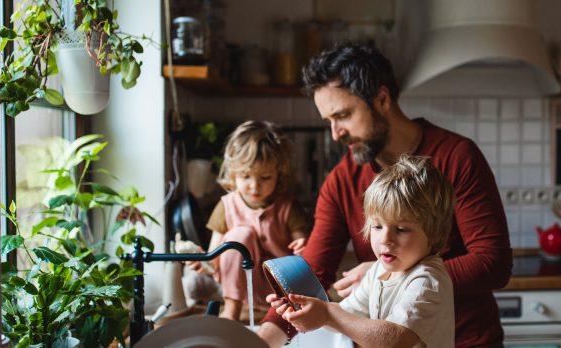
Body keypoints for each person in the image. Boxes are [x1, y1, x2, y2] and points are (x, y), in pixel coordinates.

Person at [257, 42, 512, 347]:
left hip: (468, 341)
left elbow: (493, 263)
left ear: (381, 99)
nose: (336, 133)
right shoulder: (342, 180)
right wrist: (262, 340)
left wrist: (394, 272)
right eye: (330, 121)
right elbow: (312, 272)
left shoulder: (457, 157)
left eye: (344, 115)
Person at [271, 155, 455, 347]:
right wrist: (310, 310)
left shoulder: (427, 281)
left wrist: (328, 315)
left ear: (435, 233)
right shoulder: (379, 271)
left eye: (401, 229)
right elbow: (346, 317)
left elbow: (394, 340)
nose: (385, 239)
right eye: (377, 226)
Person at [188, 120, 310, 321]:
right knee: (239, 236)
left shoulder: (288, 206)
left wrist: (303, 247)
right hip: (241, 289)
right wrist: (203, 261)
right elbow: (214, 257)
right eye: (245, 176)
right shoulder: (226, 205)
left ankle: (279, 313)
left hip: (281, 287)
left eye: (265, 177)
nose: (254, 186)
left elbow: (305, 247)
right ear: (233, 174)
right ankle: (231, 311)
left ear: (279, 174)